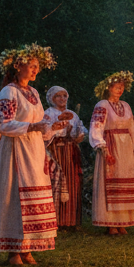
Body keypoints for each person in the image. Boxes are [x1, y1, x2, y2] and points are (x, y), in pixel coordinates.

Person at [0, 45, 69, 265]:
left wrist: (52, 127)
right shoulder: (9, 91)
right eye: (32, 66)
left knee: (34, 196)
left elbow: (41, 123)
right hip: (16, 149)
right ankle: (14, 250)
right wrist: (32, 127)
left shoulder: (33, 93)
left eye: (37, 66)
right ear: (18, 66)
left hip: (34, 150)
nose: (35, 70)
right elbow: (3, 124)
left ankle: (28, 247)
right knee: (15, 197)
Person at [89, 71, 134, 235]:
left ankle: (122, 221)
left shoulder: (126, 106)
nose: (120, 90)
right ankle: (110, 223)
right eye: (117, 87)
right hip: (110, 145)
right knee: (111, 181)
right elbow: (96, 126)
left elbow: (132, 128)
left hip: (125, 147)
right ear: (108, 88)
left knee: (124, 180)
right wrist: (102, 147)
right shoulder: (102, 105)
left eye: (122, 87)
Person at [44, 85, 87, 231]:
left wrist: (80, 135)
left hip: (70, 151)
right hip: (55, 150)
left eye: (64, 96)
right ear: (52, 98)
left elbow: (80, 128)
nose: (62, 99)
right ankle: (56, 220)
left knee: (72, 182)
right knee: (56, 182)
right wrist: (57, 129)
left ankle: (71, 220)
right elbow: (44, 132)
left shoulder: (72, 114)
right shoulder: (48, 113)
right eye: (58, 96)